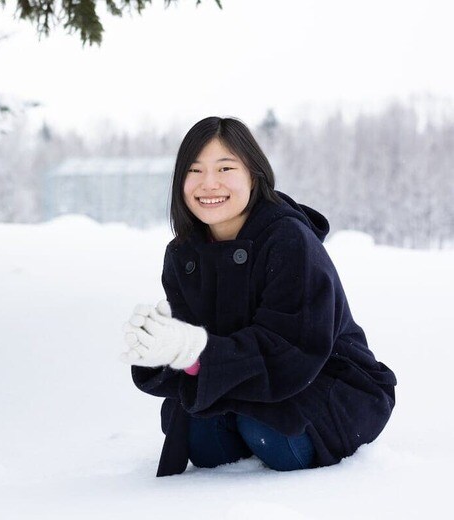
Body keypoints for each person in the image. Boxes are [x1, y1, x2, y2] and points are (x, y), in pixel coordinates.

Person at [120, 116, 397, 477]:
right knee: (203, 443)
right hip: (244, 382)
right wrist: (166, 352)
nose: (209, 184)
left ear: (254, 174)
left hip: (325, 382)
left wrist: (197, 350)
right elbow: (193, 354)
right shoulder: (182, 255)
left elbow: (293, 347)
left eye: (225, 168)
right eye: (194, 170)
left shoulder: (289, 240)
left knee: (271, 432)